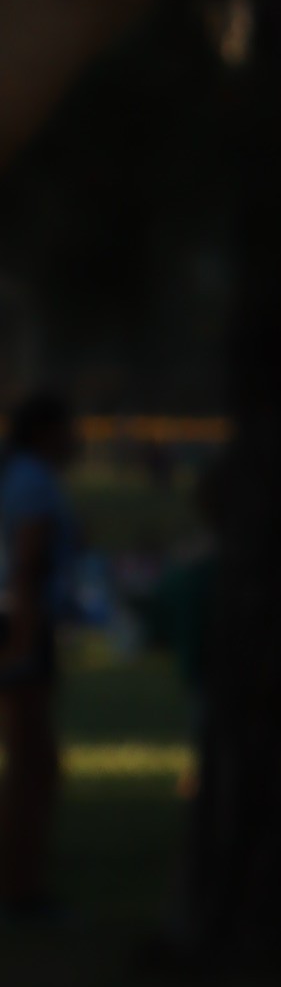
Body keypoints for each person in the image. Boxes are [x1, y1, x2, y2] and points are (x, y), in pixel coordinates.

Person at [0, 391, 84, 922]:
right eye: (68, 427)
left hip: (19, 623)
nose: (77, 439)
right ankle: (20, 889)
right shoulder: (33, 480)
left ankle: (23, 884)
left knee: (34, 763)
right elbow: (28, 565)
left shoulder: (21, 476)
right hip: (23, 627)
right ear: (44, 432)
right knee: (33, 765)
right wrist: (25, 644)